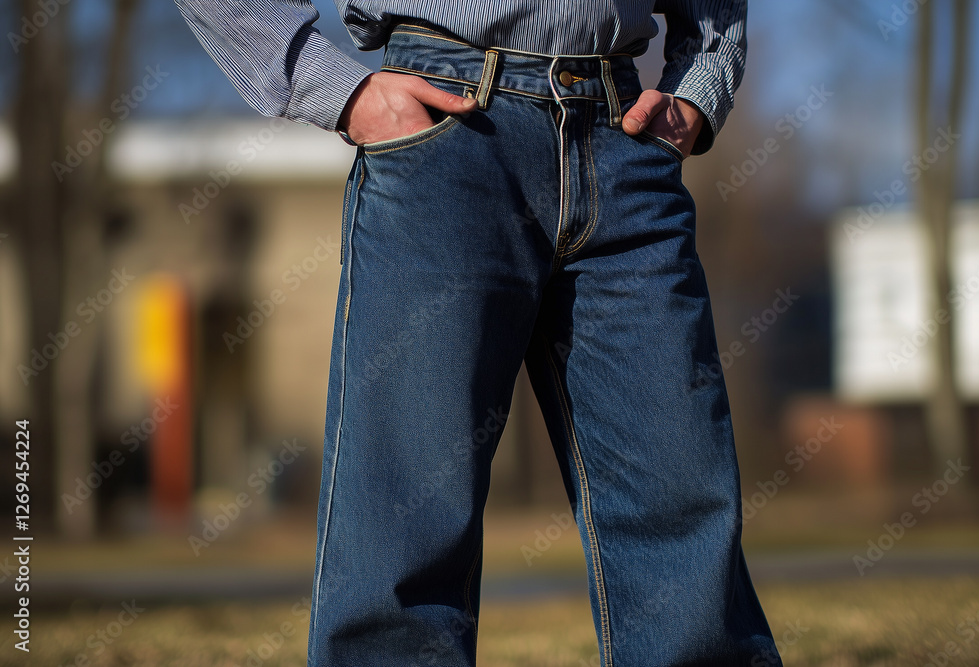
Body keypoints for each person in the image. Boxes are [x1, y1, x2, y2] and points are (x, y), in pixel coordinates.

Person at [174, 1, 781, 664]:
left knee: (679, 496)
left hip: (624, 138)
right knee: (405, 516)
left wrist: (701, 84)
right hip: (447, 129)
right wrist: (332, 85)